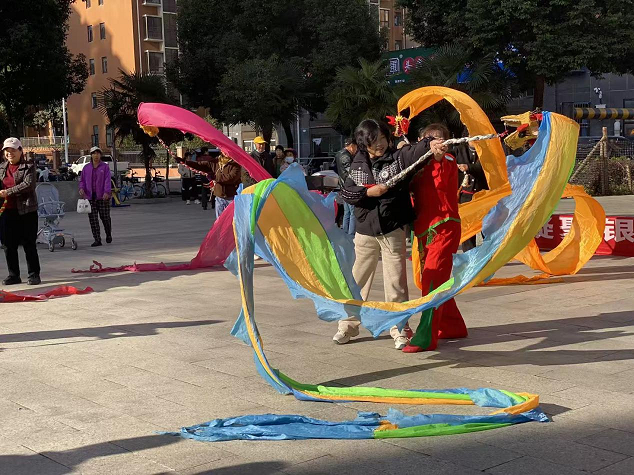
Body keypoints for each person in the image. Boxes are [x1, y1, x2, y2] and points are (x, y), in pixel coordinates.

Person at [335, 119, 446, 349]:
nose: (380, 145)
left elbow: (415, 151)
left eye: (383, 139)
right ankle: (348, 325)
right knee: (357, 280)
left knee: (396, 282)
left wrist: (430, 143)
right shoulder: (357, 165)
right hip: (365, 230)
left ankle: (399, 327)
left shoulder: (398, 158)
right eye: (374, 141)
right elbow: (347, 192)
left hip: (392, 228)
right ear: (363, 143)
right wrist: (370, 193)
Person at [403, 124, 467, 353]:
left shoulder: (447, 160)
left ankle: (425, 337)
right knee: (433, 279)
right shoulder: (417, 164)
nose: (434, 143)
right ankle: (452, 326)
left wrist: (437, 156)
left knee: (431, 279)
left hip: (444, 227)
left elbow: (440, 175)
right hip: (423, 230)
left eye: (439, 139)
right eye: (428, 139)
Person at [0, 138, 41, 285]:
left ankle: (34, 274)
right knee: (8, 245)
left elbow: (28, 184)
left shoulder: (28, 166)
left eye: (13, 150)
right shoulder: (2, 167)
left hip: (26, 211)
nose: (9, 153)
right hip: (7, 211)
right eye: (7, 151)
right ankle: (14, 275)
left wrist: (8, 192)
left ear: (20, 151)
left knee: (29, 244)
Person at [183, 154, 242, 219]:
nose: (225, 153)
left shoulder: (236, 164)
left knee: (232, 219)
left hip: (231, 196)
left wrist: (214, 177)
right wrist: (185, 162)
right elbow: (200, 165)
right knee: (219, 220)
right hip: (219, 196)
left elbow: (231, 178)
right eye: (224, 150)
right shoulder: (216, 162)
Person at [455, 141, 488, 251]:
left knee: (486, 228)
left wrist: (468, 167)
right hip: (466, 197)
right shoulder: (459, 150)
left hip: (483, 197)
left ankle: (489, 253)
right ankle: (469, 255)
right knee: (467, 230)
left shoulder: (487, 150)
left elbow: (486, 167)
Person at [79, 146, 112, 247]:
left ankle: (108, 233)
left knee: (105, 217)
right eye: (94, 153)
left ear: (100, 155)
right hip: (90, 197)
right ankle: (97, 239)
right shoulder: (86, 168)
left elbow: (107, 180)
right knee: (93, 219)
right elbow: (82, 180)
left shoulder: (105, 167)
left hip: (102, 197)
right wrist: (81, 188)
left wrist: (107, 192)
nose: (96, 155)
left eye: (98, 153)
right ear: (91, 155)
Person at [335, 138, 358, 235]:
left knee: (347, 211)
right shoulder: (346, 156)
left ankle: (345, 231)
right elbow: (350, 172)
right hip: (349, 186)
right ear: (352, 146)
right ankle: (351, 233)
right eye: (356, 147)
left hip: (343, 185)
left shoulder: (339, 154)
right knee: (352, 212)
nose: (356, 150)